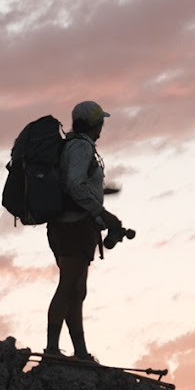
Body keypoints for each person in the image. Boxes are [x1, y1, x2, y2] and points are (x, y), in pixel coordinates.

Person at [45, 100, 124, 362]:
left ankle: (79, 352)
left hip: (66, 225)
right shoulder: (81, 147)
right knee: (68, 287)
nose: (102, 127)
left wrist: (102, 192)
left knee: (77, 290)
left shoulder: (71, 145)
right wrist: (101, 212)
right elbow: (75, 185)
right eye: (100, 122)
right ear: (94, 124)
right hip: (74, 227)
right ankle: (53, 351)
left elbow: (76, 183)